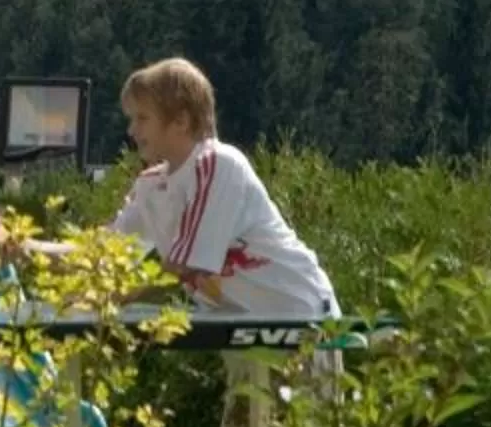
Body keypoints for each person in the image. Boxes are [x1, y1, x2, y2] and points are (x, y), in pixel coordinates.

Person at [106, 57, 336, 320]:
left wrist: (114, 297)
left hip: (301, 315)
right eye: (132, 119)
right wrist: (49, 258)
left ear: (181, 120)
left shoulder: (218, 163)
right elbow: (102, 249)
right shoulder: (150, 185)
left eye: (142, 118)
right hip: (236, 325)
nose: (132, 130)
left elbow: (185, 268)